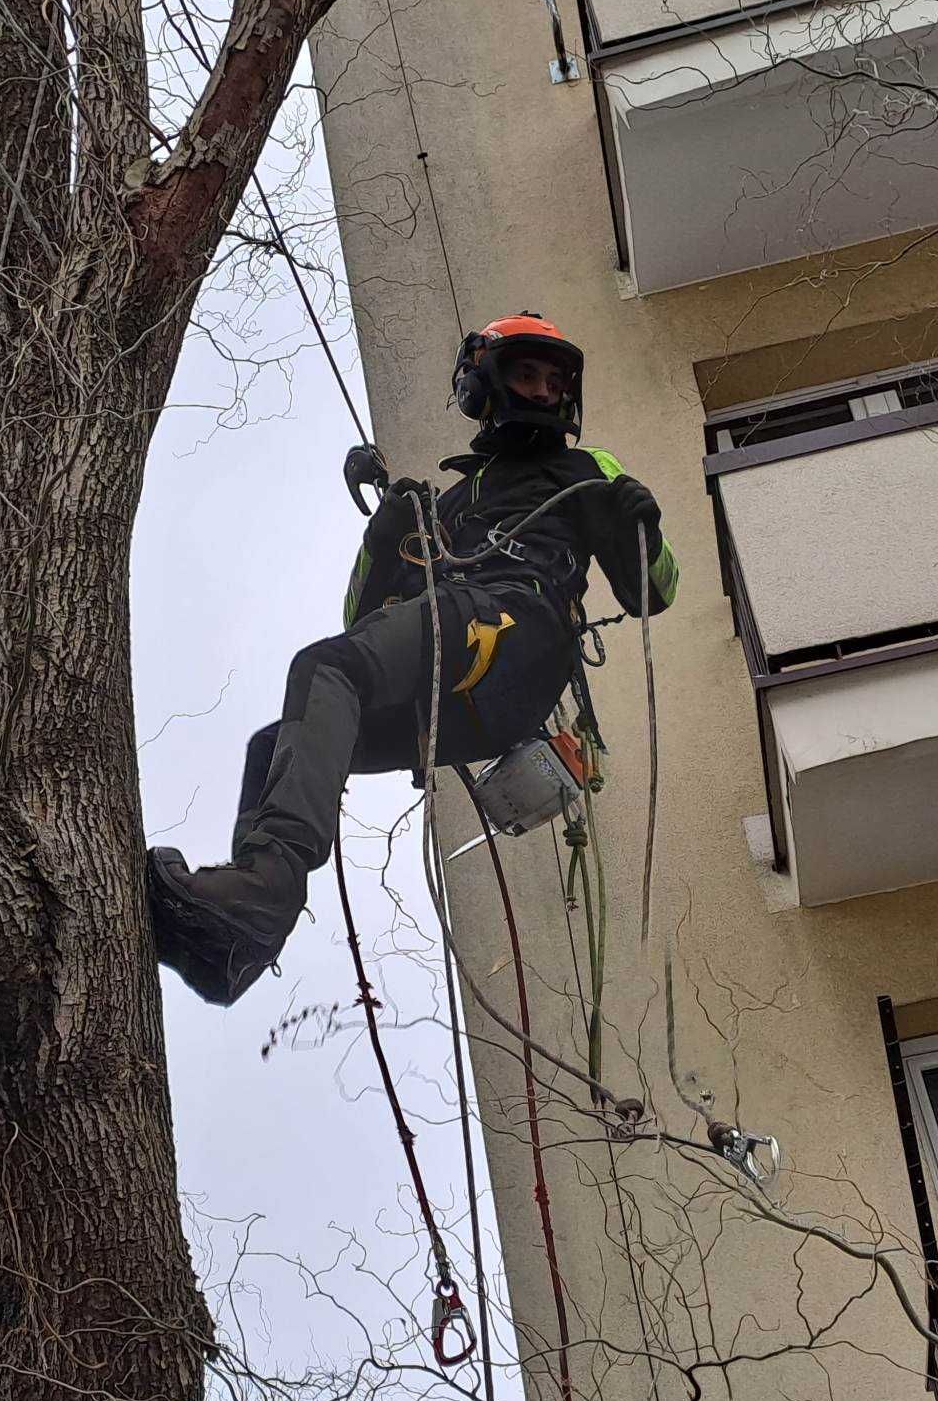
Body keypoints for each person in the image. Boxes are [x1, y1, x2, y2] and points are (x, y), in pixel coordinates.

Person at [147, 312, 679, 1005]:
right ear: (484, 383)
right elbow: (362, 624)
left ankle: (266, 892)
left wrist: (643, 523)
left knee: (323, 669)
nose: (544, 391)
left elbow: (652, 590)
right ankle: (234, 946)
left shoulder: (586, 469)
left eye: (555, 381)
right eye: (527, 374)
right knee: (276, 741)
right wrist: (387, 529)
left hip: (520, 625)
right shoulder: (448, 506)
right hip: (465, 697)